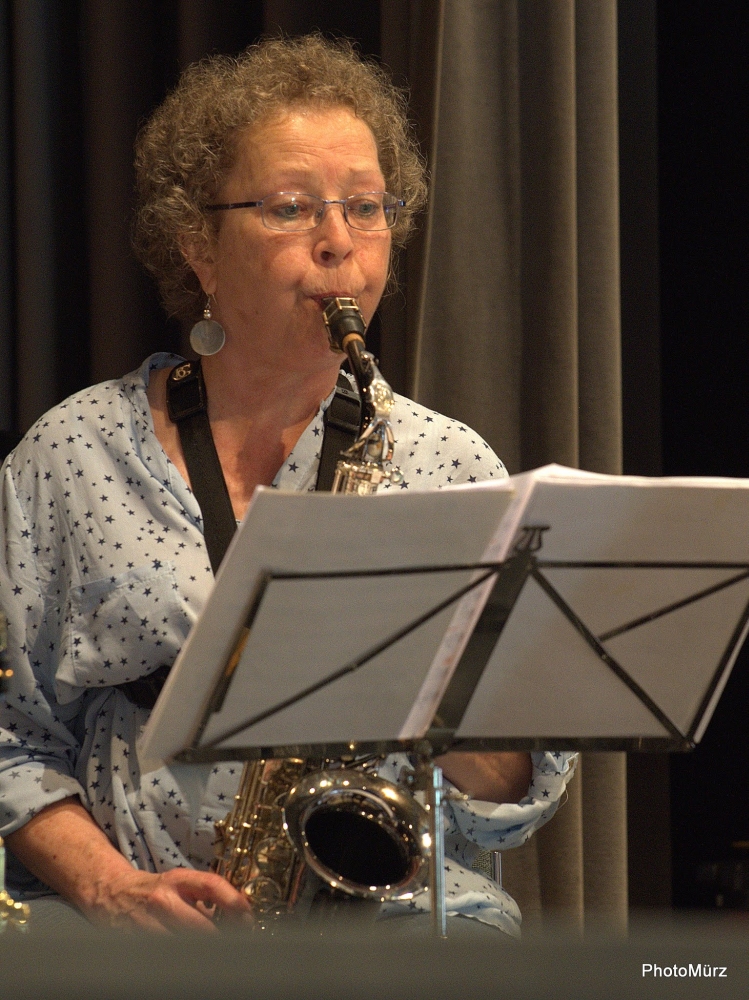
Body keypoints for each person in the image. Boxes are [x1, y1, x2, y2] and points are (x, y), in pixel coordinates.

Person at [0, 35, 575, 935]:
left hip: (388, 914)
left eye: (366, 207)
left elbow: (519, 788)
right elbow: (11, 736)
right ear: (199, 244)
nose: (339, 242)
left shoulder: (448, 462)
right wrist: (111, 890)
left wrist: (417, 691)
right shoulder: (73, 454)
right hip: (127, 914)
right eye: (290, 209)